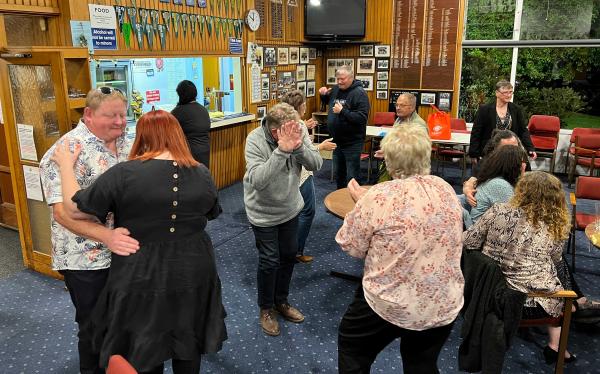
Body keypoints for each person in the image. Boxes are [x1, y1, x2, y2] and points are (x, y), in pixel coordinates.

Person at [51, 109, 227, 373]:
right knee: (188, 334)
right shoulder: (202, 172)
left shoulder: (124, 173)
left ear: (142, 136)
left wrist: (66, 165)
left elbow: (75, 208)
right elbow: (211, 212)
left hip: (142, 269)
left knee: (144, 342)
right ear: (178, 135)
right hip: (195, 267)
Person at [335, 124, 464, 373]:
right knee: (421, 364)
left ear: (389, 159)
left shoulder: (379, 196)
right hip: (440, 303)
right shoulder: (445, 188)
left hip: (388, 302)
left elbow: (350, 245)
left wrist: (362, 206)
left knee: (352, 349)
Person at [39, 87, 137, 374]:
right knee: (94, 325)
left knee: (125, 320)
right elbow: (62, 214)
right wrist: (106, 235)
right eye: (111, 116)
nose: (120, 122)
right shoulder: (63, 152)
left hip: (126, 251)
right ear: (89, 115)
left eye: (123, 114)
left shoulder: (128, 141)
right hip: (85, 258)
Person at [463, 171, 576, 365]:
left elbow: (469, 242)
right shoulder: (556, 225)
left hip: (492, 295)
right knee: (558, 281)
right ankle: (556, 346)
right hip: (533, 305)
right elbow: (556, 258)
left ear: (520, 191)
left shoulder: (498, 210)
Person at [243, 103, 323, 336]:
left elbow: (316, 164)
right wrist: (282, 151)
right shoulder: (255, 139)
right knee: (269, 261)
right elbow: (257, 180)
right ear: (277, 131)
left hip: (290, 208)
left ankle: (281, 301)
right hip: (263, 213)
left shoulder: (296, 129)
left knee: (288, 256)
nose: (298, 130)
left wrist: (297, 148)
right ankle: (266, 309)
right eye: (291, 130)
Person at [281, 90, 336, 263]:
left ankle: (285, 248)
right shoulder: (300, 126)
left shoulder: (281, 123)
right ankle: (296, 251)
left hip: (283, 176)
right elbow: (306, 153)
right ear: (300, 106)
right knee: (307, 211)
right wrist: (322, 146)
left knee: (289, 213)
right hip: (302, 174)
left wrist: (305, 125)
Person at [318, 65, 370, 189]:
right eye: (338, 79)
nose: (340, 81)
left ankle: (354, 204)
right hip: (336, 141)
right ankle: (340, 202)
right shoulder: (336, 89)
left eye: (343, 79)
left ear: (351, 77)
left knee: (352, 177)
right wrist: (323, 95)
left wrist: (343, 112)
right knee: (339, 175)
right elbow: (327, 102)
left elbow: (362, 118)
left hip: (352, 142)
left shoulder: (360, 93)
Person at [469, 80, 536, 166]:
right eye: (505, 92)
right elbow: (476, 132)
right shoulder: (484, 109)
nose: (509, 95)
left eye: (511, 92)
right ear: (497, 93)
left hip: (511, 151)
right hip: (490, 151)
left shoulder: (516, 109)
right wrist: (474, 153)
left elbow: (523, 130)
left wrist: (530, 148)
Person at [464, 145, 527, 227]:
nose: (525, 165)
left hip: (489, 230)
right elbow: (513, 220)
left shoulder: (496, 179)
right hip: (482, 234)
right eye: (522, 162)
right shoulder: (500, 185)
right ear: (512, 164)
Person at [462, 129, 520, 207]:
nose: (513, 152)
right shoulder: (487, 163)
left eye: (515, 148)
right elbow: (473, 179)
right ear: (495, 150)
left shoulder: (522, 161)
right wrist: (467, 189)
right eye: (507, 149)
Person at [171, 80, 212, 168]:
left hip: (189, 153)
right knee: (202, 176)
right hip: (205, 150)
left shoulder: (178, 111)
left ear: (181, 95)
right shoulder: (203, 109)